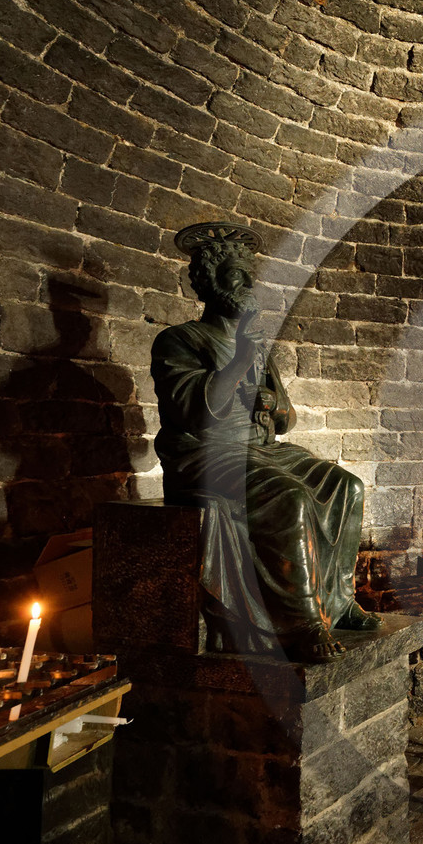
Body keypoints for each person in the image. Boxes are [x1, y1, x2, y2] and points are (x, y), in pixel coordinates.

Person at [152, 221, 377, 664]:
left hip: (264, 449)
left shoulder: (258, 347)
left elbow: (287, 420)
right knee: (290, 498)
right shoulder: (181, 340)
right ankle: (303, 622)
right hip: (207, 454)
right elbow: (194, 412)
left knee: (347, 487)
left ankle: (339, 601)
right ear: (210, 284)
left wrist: (274, 405)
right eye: (238, 276)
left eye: (249, 276)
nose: (249, 285)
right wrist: (238, 359)